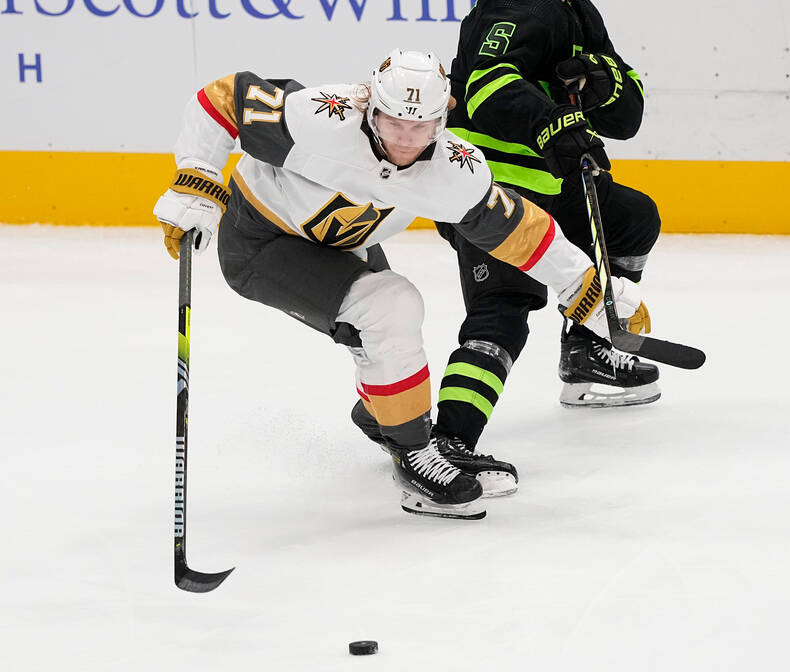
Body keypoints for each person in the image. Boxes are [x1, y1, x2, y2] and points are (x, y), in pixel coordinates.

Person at [152, 48, 648, 520]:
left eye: (422, 125)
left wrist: (585, 286)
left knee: (386, 326)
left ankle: (386, 418)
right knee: (391, 306)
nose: (406, 140)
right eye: (394, 123)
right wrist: (198, 177)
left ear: (443, 118)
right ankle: (413, 456)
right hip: (260, 239)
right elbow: (225, 97)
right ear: (370, 106)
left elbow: (519, 228)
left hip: (345, 245)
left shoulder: (454, 169)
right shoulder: (320, 119)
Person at [429, 0, 662, 484]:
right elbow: (487, 83)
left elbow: (626, 114)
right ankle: (446, 443)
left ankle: (585, 350)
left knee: (633, 217)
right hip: (490, 197)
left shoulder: (578, 10)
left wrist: (599, 81)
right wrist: (557, 124)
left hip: (557, 192)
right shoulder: (514, 0)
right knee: (503, 310)